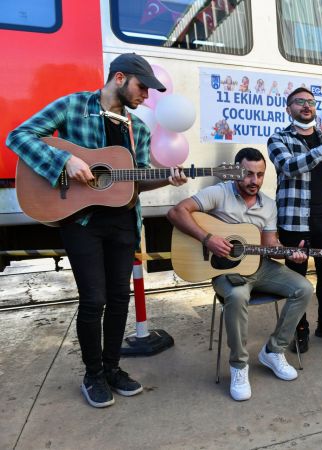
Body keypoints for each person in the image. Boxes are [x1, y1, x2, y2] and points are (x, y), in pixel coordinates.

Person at [6, 53, 188, 408]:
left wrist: (168, 176)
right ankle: (92, 375)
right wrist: (65, 160)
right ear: (119, 78)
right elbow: (19, 135)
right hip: (83, 221)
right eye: (142, 87)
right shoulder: (74, 106)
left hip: (123, 223)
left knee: (120, 298)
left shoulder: (140, 129)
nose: (146, 97)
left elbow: (132, 183)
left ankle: (112, 368)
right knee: (94, 300)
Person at [167, 147, 313, 402]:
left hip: (260, 267)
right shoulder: (219, 193)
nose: (253, 181)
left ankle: (273, 350)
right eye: (247, 174)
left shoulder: (268, 204)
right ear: (236, 172)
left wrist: (289, 254)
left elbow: (269, 245)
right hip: (225, 271)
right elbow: (176, 212)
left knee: (303, 288)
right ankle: (238, 366)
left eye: (259, 175)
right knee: (235, 296)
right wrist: (208, 239)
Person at [267, 87, 322, 354]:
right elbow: (290, 167)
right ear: (288, 108)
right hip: (293, 219)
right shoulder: (278, 138)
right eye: (299, 102)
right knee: (297, 278)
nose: (306, 106)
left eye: (311, 102)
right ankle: (299, 329)